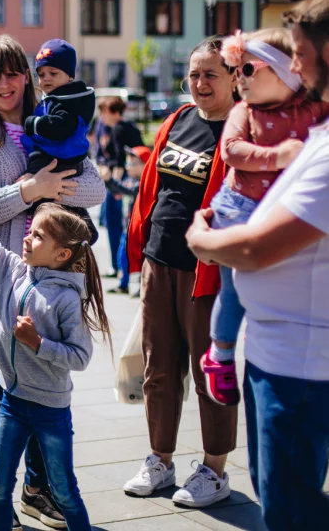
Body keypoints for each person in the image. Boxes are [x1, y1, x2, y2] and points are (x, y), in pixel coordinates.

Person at [185, 0, 329, 530]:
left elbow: (254, 248)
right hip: (274, 355)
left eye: (299, 51)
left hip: (302, 362)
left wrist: (202, 241)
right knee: (274, 495)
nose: (293, 64)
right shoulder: (292, 126)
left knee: (291, 510)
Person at [0, 35, 106, 530]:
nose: (5, 83)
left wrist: (53, 187)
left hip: (58, 274)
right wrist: (32, 189)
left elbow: (95, 186)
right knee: (11, 381)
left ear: (27, 75)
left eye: (13, 72)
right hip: (5, 273)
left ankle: (36, 489)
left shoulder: (54, 119)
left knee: (50, 383)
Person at [0, 149, 111, 531]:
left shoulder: (66, 299)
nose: (27, 238)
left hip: (50, 409)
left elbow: (80, 357)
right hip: (12, 401)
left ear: (61, 254)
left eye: (38, 235)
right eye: (30, 231)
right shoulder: (12, 268)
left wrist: (36, 343)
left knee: (64, 492)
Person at [123, 37, 240, 507]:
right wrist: (139, 248)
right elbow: (153, 186)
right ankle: (160, 460)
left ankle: (214, 470)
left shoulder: (241, 129)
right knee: (159, 369)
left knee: (208, 370)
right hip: (160, 261)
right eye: (194, 74)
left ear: (235, 77)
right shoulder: (177, 120)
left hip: (206, 271)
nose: (200, 82)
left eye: (211, 73)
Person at [200, 28, 328, 407]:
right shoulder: (244, 111)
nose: (239, 78)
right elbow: (231, 151)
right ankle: (220, 354)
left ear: (286, 72)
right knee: (235, 287)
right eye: (235, 69)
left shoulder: (315, 109)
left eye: (249, 69)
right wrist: (277, 157)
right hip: (238, 208)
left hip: (282, 209)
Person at [24, 39, 96, 177]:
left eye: (53, 73)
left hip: (60, 160)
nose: (46, 78)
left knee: (31, 182)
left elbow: (60, 127)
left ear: (69, 76)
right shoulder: (58, 97)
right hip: (61, 157)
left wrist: (33, 123)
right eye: (41, 74)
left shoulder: (69, 101)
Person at [95, 97, 144, 277]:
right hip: (121, 178)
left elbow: (120, 159)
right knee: (116, 223)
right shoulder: (114, 126)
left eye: (104, 112)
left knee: (117, 223)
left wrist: (115, 184)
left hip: (121, 179)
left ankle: (119, 266)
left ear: (115, 113)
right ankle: (119, 266)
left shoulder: (121, 128)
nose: (101, 116)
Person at [100, 145, 150, 295]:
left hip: (140, 228)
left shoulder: (143, 183)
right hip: (129, 226)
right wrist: (109, 182)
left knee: (138, 257)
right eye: (128, 163)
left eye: (133, 164)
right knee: (124, 255)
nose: (128, 167)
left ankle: (140, 285)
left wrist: (109, 180)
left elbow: (125, 189)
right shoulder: (131, 180)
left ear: (145, 165)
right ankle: (124, 283)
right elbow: (119, 189)